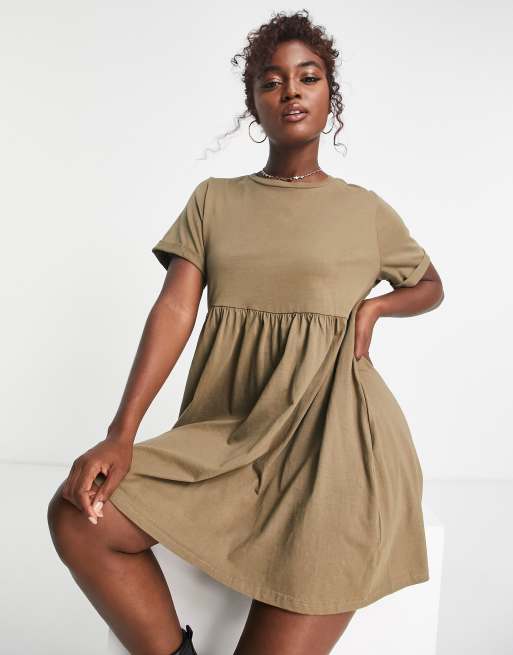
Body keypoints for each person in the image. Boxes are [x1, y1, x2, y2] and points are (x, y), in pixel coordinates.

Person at [47, 10, 444, 655]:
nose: (290, 91)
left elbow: (429, 283)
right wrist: (121, 434)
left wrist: (375, 309)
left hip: (336, 441)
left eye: (308, 77)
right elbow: (174, 311)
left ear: (330, 96)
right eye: (271, 81)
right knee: (78, 515)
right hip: (232, 433)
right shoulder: (215, 200)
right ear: (254, 104)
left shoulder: (365, 211)